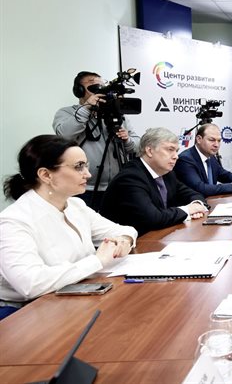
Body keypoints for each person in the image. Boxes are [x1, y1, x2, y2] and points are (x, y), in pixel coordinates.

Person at [0, 135, 137, 320]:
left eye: (86, 165)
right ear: (46, 175)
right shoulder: (13, 221)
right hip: (26, 312)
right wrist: (97, 260)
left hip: (75, 296)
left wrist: (124, 241)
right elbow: (31, 284)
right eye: (78, 167)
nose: (88, 174)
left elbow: (125, 230)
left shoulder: (75, 205)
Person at [53, 71, 140, 211]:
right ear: (79, 91)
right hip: (83, 188)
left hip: (116, 186)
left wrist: (127, 140)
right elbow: (64, 135)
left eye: (102, 86)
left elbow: (137, 146)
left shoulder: (117, 114)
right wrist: (87, 108)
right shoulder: (67, 113)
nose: (100, 90)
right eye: (93, 86)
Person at [101, 127, 208, 235]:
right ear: (149, 151)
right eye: (170, 150)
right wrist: (188, 210)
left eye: (176, 151)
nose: (176, 156)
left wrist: (197, 204)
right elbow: (153, 218)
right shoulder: (130, 178)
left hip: (158, 236)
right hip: (129, 241)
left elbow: (192, 194)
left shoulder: (167, 173)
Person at [174, 124, 232, 196]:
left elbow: (223, 174)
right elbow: (201, 188)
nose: (216, 145)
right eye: (212, 140)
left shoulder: (210, 155)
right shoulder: (185, 159)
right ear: (199, 139)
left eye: (219, 141)